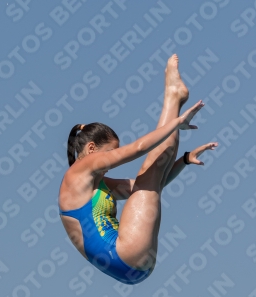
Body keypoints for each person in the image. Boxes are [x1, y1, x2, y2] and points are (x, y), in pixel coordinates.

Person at [59, 55, 217, 284]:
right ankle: (173, 98)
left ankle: (174, 98)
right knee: (148, 173)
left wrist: (184, 160)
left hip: (131, 266)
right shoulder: (80, 169)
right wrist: (176, 122)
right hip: (124, 253)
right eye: (109, 153)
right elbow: (138, 148)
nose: (109, 161)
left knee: (150, 179)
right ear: (91, 148)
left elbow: (151, 186)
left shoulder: (98, 185)